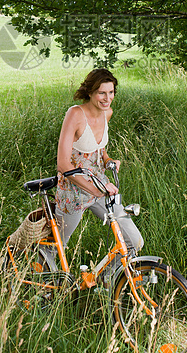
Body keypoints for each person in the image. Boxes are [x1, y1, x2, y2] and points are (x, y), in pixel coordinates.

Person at [55, 68, 143, 278]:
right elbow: (63, 164)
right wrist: (95, 190)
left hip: (101, 186)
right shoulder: (75, 114)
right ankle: (47, 288)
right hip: (73, 191)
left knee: (134, 241)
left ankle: (102, 279)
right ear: (90, 92)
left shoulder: (107, 113)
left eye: (111, 92)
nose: (107, 98)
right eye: (101, 93)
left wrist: (107, 159)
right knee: (57, 245)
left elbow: (97, 148)